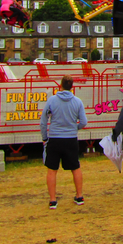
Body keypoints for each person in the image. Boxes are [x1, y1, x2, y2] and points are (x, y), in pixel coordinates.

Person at [40, 76, 88, 209]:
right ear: (72, 86)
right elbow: (84, 121)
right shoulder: (77, 102)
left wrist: (45, 137)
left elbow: (43, 121)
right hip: (71, 139)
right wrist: (74, 128)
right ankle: (79, 196)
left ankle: (53, 200)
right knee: (75, 167)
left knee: (52, 170)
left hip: (55, 138)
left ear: (60, 85)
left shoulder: (52, 100)